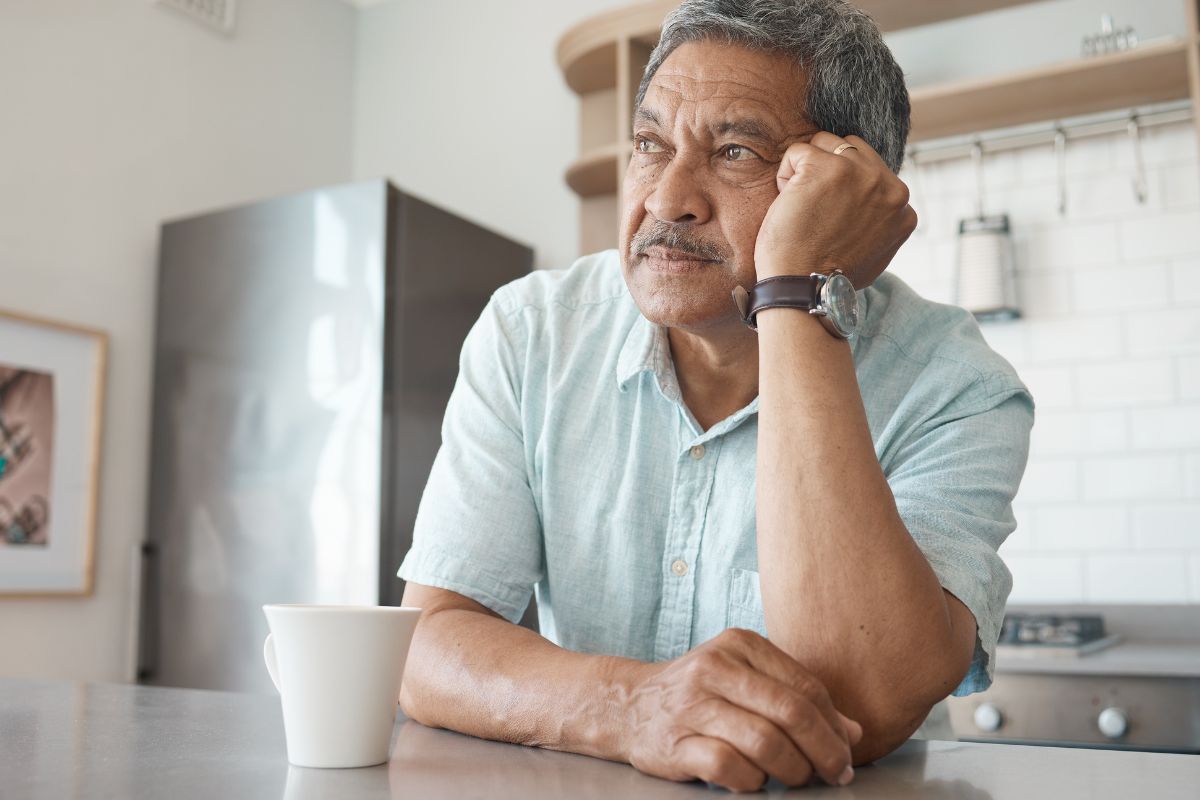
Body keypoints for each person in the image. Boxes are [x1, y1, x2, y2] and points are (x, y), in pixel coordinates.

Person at [396, 0, 1033, 791]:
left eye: (734, 151)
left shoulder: (956, 384)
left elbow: (866, 703)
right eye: (649, 144)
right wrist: (631, 706)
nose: (667, 200)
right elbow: (428, 646)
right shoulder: (533, 332)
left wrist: (798, 289)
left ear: (841, 190)